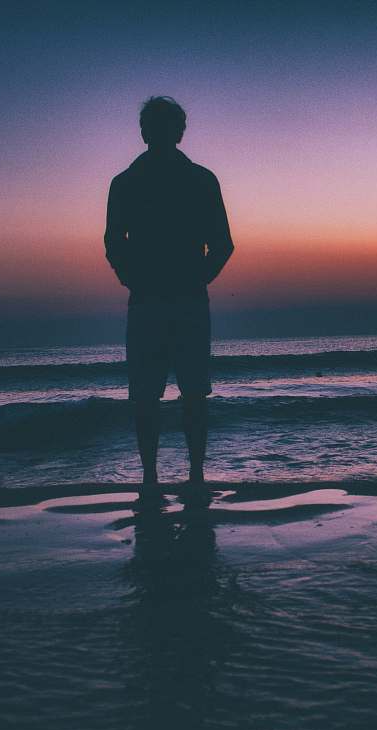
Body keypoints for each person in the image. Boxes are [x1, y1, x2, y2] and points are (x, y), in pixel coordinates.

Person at [104, 96, 234, 498]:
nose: (158, 133)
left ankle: (153, 478)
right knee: (189, 393)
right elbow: (223, 245)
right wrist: (196, 280)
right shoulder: (195, 179)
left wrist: (135, 280)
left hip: (154, 302)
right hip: (179, 301)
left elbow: (114, 244)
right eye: (157, 126)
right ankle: (189, 476)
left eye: (161, 126)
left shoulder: (128, 182)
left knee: (151, 395)